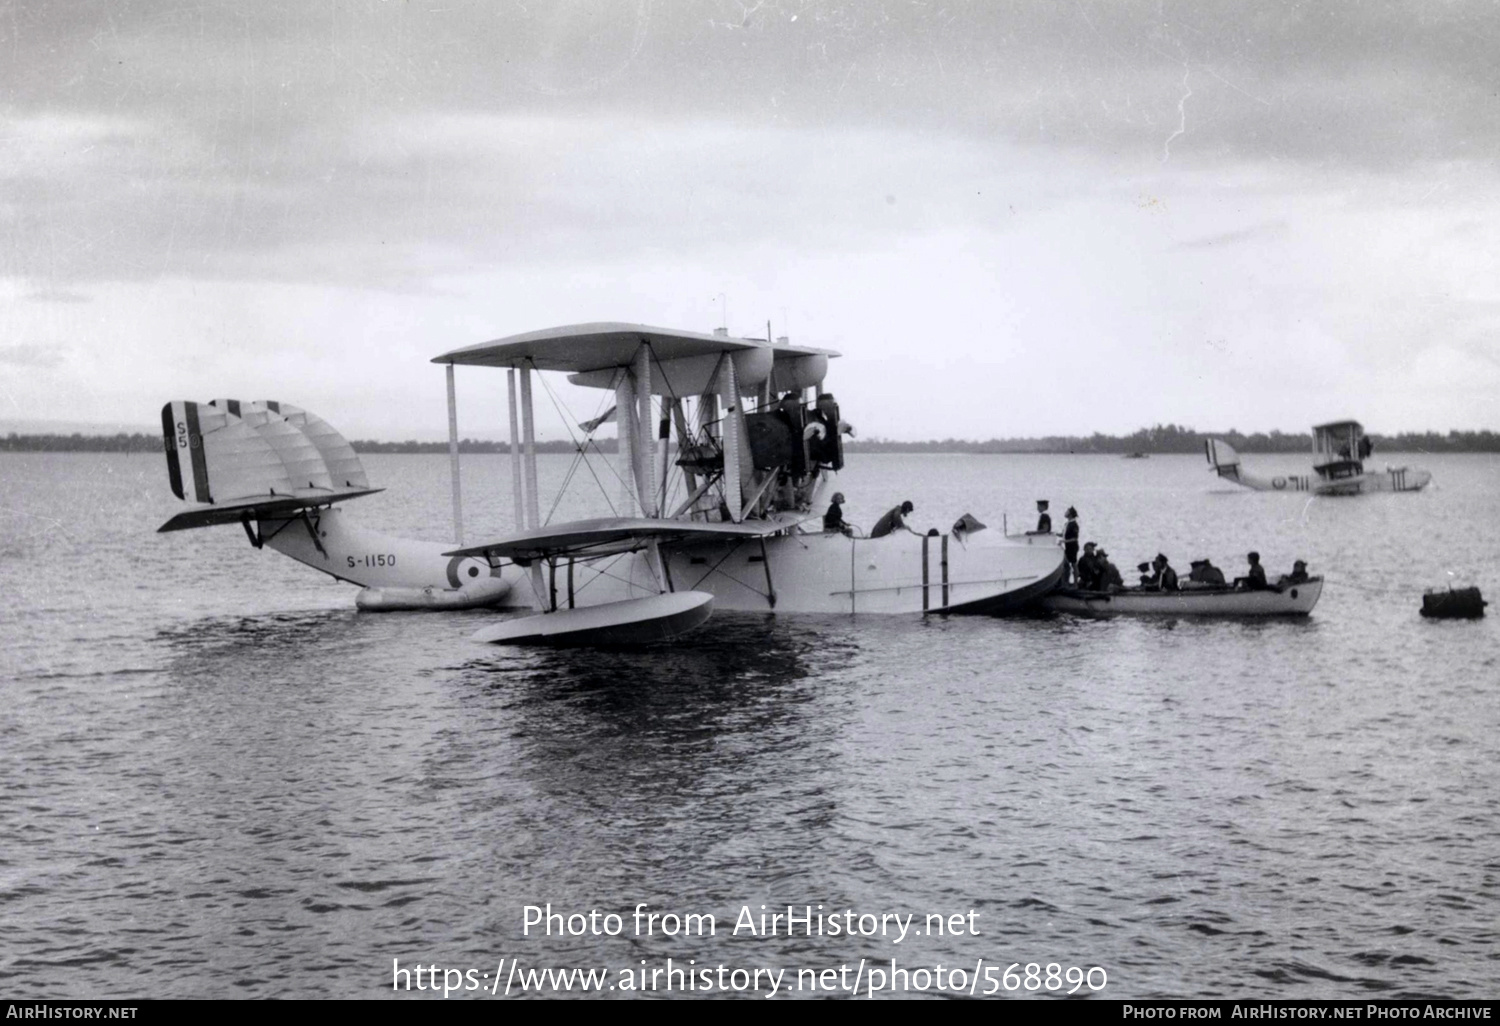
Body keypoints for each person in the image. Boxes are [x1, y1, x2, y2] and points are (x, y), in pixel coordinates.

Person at [1062, 507, 1080, 583]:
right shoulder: (1068, 523)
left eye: (1067, 511)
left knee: (1073, 564)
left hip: (1072, 547)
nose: (1065, 512)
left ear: (1070, 514)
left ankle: (1075, 582)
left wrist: (1064, 541)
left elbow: (1074, 538)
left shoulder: (1074, 524)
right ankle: (1067, 581)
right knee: (1067, 564)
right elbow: (1064, 534)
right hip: (1068, 546)